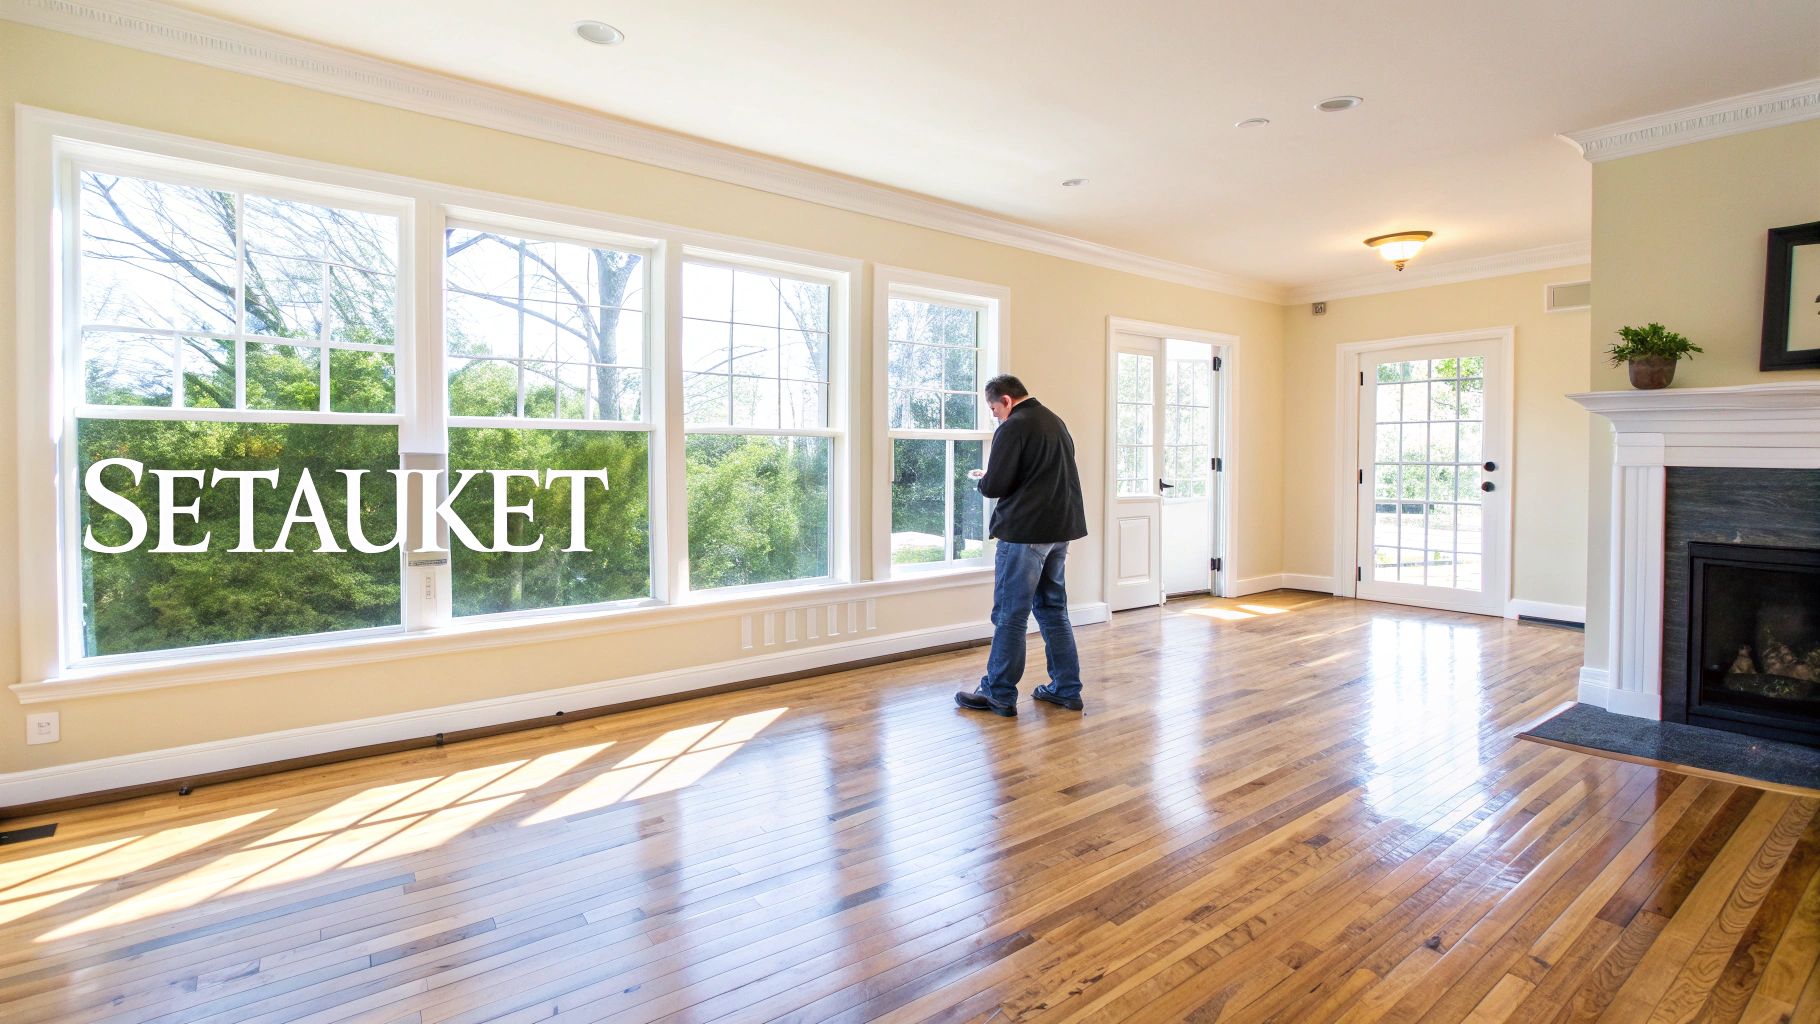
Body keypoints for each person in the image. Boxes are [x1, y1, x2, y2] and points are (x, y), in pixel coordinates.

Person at [955, 374, 1089, 717]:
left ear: (1006, 400)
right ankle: (1066, 688)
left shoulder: (1013, 427)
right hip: (1059, 531)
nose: (995, 416)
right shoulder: (1054, 422)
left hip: (1026, 534)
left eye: (993, 408)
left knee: (1010, 614)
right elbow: (1041, 477)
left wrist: (983, 479)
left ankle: (998, 693)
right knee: (1052, 610)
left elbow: (996, 485)